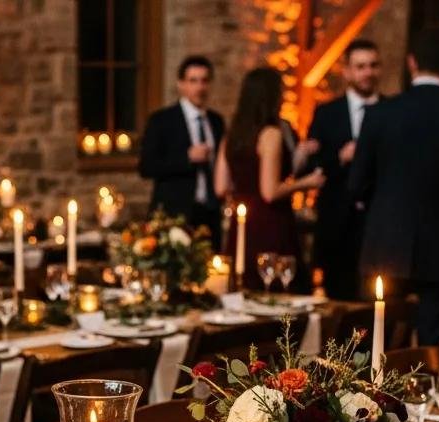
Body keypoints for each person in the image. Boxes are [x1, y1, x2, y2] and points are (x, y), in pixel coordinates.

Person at [350, 27, 439, 348]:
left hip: (385, 243)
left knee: (376, 346)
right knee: (433, 348)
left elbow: (356, 185)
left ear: (411, 63)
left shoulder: (379, 115)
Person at [212, 68, 325, 290]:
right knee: (277, 291)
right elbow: (269, 191)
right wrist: (307, 183)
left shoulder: (232, 134)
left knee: (244, 286)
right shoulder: (270, 134)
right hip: (270, 222)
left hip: (241, 223)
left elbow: (220, 187)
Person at [305, 38, 383, 300]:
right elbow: (312, 165)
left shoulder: (392, 110)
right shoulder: (327, 113)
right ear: (347, 71)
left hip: (379, 224)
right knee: (338, 302)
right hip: (337, 225)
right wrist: (340, 157)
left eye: (373, 65)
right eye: (360, 66)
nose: (367, 72)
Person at [139, 55, 225, 246]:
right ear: (181, 84)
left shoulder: (216, 121)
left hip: (210, 213)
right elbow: (146, 166)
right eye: (193, 81)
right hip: (175, 213)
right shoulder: (162, 120)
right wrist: (186, 157)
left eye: (204, 81)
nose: (199, 87)